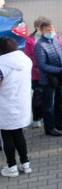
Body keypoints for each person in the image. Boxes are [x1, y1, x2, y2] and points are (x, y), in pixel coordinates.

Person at [0, 37, 34, 177]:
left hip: (5, 106)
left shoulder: (2, 65)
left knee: (7, 136)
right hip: (21, 104)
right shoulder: (25, 60)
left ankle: (11, 166)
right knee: (19, 134)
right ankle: (25, 163)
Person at [34, 18, 62, 137]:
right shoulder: (40, 45)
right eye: (47, 30)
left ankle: (59, 123)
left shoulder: (55, 39)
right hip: (48, 79)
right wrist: (61, 69)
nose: (50, 32)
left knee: (58, 101)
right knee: (48, 105)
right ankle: (49, 128)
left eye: (52, 29)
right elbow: (42, 65)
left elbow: (61, 55)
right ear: (41, 31)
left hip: (59, 77)